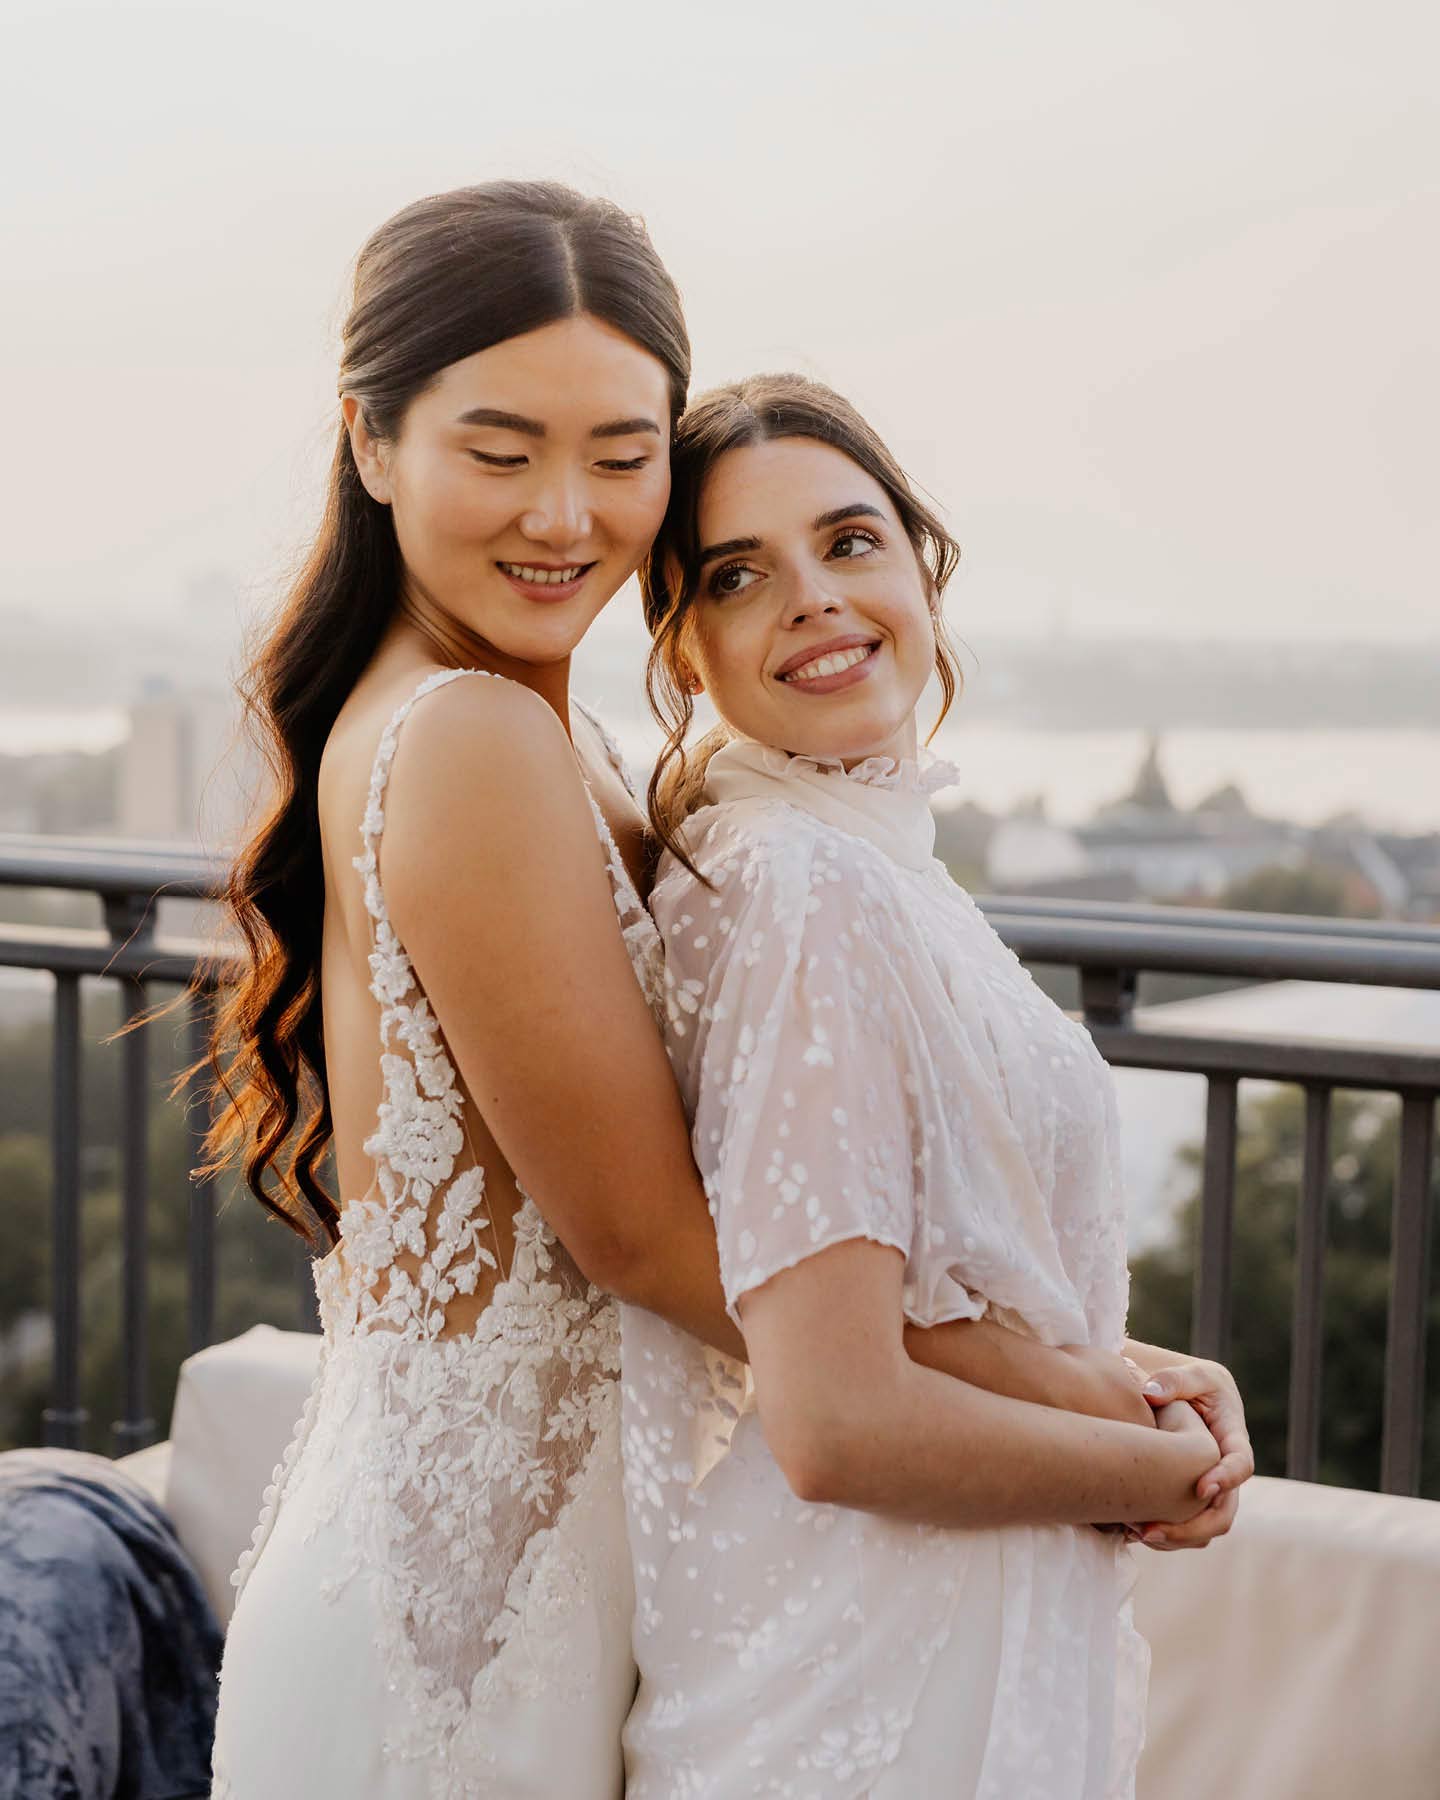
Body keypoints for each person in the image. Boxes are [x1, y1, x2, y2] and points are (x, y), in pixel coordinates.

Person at [207, 184, 1248, 1797]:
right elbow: (655, 1239)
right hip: (464, 1630)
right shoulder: (472, 740)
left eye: (622, 458)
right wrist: (1079, 1397)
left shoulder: (554, 739)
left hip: (538, 1583)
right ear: (371, 444)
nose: (566, 514)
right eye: (501, 452)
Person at [621, 372, 1251, 1798]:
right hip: (869, 1684)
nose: (816, 599)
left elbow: (914, 1281)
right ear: (683, 646)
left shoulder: (864, 860)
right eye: (739, 575)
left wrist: (1143, 1378)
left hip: (926, 1643)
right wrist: (1163, 1477)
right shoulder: (799, 885)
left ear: (922, 562)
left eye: (849, 543)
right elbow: (839, 1416)